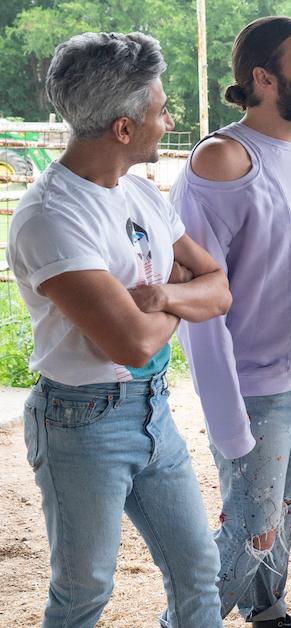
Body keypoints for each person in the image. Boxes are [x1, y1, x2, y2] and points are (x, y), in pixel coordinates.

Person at [8, 31, 229, 627]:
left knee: (198, 571)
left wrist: (159, 296)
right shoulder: (50, 217)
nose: (170, 119)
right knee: (85, 592)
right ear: (124, 129)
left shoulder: (139, 192)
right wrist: (184, 301)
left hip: (153, 409)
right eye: (161, 111)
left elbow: (220, 286)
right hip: (82, 420)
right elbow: (130, 344)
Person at [171, 16, 291, 628]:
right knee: (251, 529)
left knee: (286, 511)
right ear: (262, 76)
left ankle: (270, 612)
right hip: (258, 388)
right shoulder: (221, 160)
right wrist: (223, 409)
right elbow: (195, 298)